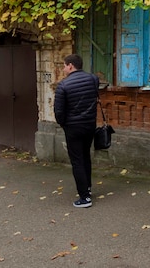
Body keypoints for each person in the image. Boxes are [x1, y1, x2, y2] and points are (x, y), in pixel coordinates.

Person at [54, 54, 99, 208]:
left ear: (71, 65)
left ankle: (85, 198)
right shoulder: (93, 79)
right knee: (85, 156)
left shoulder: (63, 85)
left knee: (77, 160)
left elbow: (59, 112)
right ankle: (88, 187)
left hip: (73, 128)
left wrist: (64, 124)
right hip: (90, 125)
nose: (64, 68)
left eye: (64, 65)